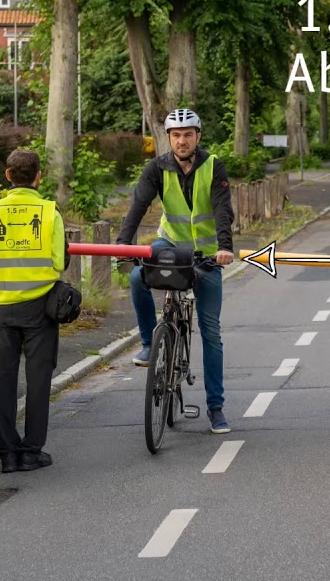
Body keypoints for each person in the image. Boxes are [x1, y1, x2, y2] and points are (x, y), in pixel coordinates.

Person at [116, 108, 236, 433]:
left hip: (208, 256)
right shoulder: (157, 167)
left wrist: (225, 246)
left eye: (187, 134)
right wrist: (123, 245)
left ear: (198, 136)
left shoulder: (213, 167)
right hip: (169, 245)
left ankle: (216, 408)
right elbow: (138, 205)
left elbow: (223, 210)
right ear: (167, 138)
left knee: (211, 332)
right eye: (175, 135)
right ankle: (146, 341)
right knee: (138, 277)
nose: (181, 141)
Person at [0, 148, 70, 473]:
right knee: (39, 379)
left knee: (3, 380)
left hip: (2, 309)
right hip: (40, 309)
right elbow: (58, 262)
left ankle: (7, 454)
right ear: (38, 176)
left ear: (8, 176)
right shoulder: (48, 211)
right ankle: (31, 451)